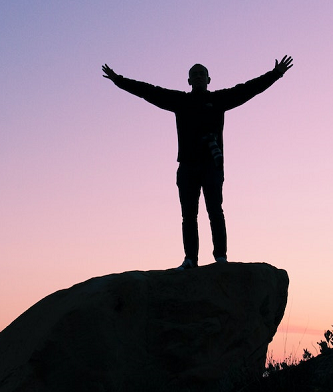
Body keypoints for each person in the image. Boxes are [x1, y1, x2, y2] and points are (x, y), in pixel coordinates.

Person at [102, 55, 294, 269]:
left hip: (211, 166)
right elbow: (149, 91)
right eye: (194, 75)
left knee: (215, 211)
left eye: (202, 74)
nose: (198, 77)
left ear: (209, 79)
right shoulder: (181, 101)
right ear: (189, 81)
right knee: (188, 216)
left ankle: (220, 257)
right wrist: (118, 80)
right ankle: (190, 259)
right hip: (187, 167)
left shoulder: (220, 99)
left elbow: (248, 89)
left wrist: (275, 74)